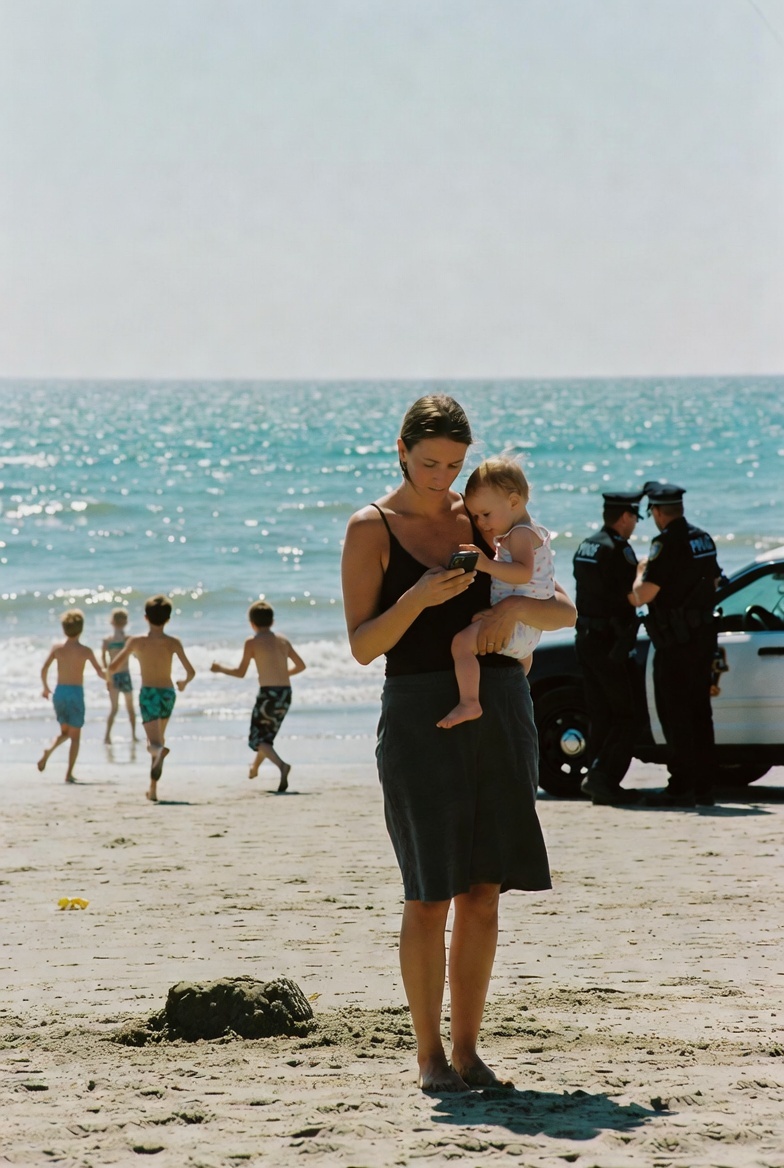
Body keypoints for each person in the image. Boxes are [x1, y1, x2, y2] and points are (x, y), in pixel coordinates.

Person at [341, 395, 576, 1093]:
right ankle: (429, 1058)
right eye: (429, 463)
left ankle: (469, 1052)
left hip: (501, 700)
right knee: (428, 893)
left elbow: (559, 605)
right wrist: (418, 596)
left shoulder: (481, 514)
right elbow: (362, 646)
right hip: (418, 711)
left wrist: (510, 610)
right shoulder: (371, 527)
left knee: (484, 892)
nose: (443, 478)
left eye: (454, 465)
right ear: (400, 450)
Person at [437, 457, 554, 729]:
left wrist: (485, 563)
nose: (481, 523)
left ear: (514, 502)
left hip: (518, 628)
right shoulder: (529, 532)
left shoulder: (521, 535)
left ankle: (469, 702)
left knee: (461, 645)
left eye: (486, 514)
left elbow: (523, 572)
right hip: (528, 634)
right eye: (476, 516)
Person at [633, 482, 723, 807]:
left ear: (656, 512)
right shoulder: (703, 538)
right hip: (702, 639)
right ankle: (704, 788)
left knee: (676, 715)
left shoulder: (664, 544)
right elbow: (714, 582)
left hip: (674, 644)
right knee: (701, 713)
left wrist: (639, 573)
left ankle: (681, 784)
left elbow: (643, 595)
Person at [572, 490, 643, 805]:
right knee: (627, 714)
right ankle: (603, 778)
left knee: (599, 712)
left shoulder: (586, 546)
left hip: (586, 637)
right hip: (610, 642)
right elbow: (629, 596)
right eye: (635, 519)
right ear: (625, 517)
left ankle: (595, 779)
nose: (635, 526)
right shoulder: (619, 550)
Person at [210, 600, 306, 792]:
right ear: (273, 621)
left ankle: (282, 766)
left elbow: (240, 672)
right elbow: (301, 665)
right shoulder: (282, 640)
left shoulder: (252, 642)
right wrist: (283, 674)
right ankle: (254, 768)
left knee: (256, 739)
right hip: (285, 694)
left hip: (268, 694)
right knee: (266, 738)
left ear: (251, 622)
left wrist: (220, 668)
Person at [107, 595, 196, 801]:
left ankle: (157, 754)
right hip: (167, 694)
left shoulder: (136, 641)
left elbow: (113, 667)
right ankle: (153, 789)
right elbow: (190, 672)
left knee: (154, 745)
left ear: (145, 617)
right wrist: (183, 683)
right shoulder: (173, 642)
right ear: (168, 619)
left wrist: (109, 677)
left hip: (148, 694)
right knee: (159, 742)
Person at [38, 609, 105, 783]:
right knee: (75, 736)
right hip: (75, 693)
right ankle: (68, 773)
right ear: (81, 629)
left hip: (59, 692)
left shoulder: (57, 648)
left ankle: (49, 751)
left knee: (66, 731)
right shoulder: (85, 651)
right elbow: (100, 672)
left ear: (63, 629)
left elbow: (44, 668)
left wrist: (45, 688)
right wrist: (110, 678)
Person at [102, 608, 137, 744]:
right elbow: (104, 659)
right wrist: (107, 676)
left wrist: (107, 676)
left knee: (122, 708)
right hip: (118, 675)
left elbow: (104, 660)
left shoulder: (125, 639)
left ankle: (131, 736)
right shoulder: (116, 640)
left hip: (119, 675)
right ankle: (108, 736)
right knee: (120, 708)